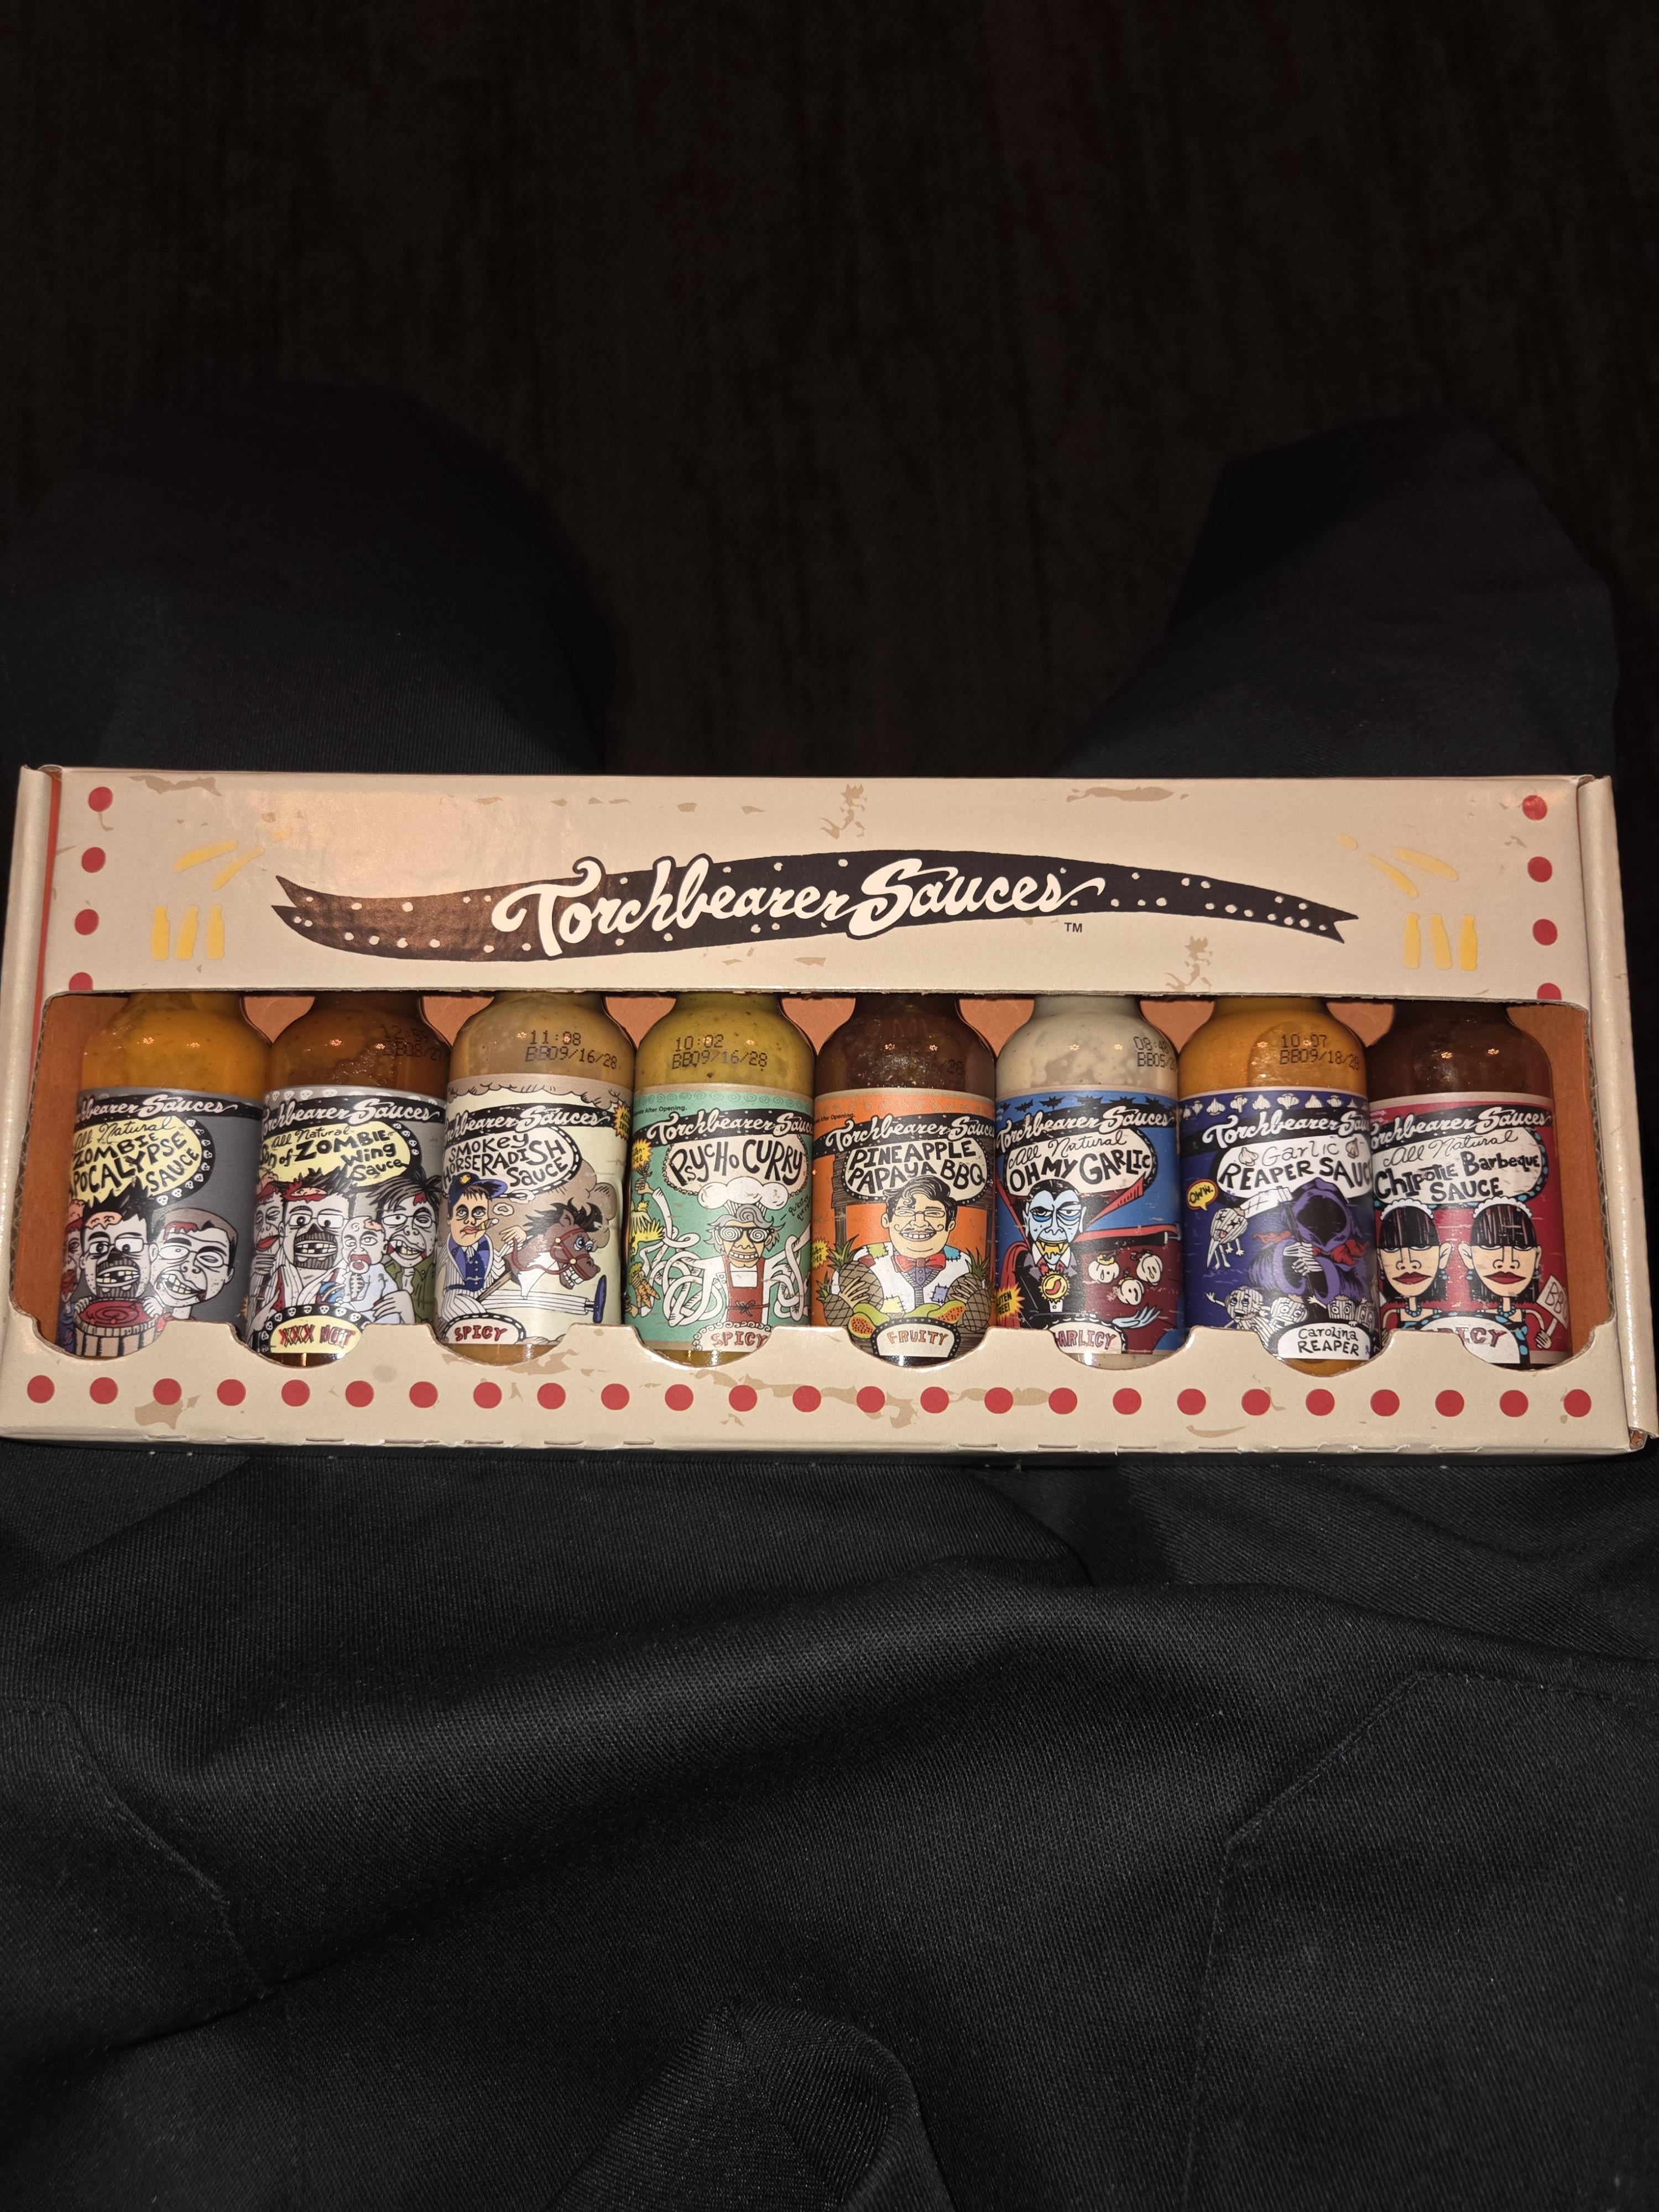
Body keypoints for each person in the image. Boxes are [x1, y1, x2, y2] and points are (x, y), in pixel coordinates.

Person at [0, 395, 1648, 2211]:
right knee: (1402, 669)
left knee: (245, 576)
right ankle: (1370, 487)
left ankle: (321, 456)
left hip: (301, 1662)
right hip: (1330, 1726)